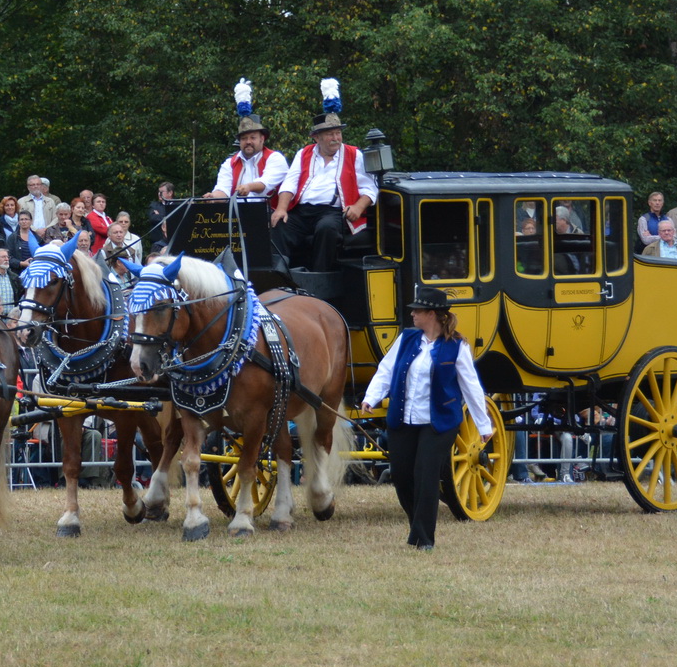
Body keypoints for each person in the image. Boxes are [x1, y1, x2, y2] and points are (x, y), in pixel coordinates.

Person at [361, 287, 494, 551]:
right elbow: (386, 369)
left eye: (417, 311)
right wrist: (371, 397)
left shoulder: (457, 347)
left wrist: (483, 425)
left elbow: (471, 387)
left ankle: (424, 539)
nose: (412, 314)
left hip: (440, 422)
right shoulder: (407, 339)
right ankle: (417, 525)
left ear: (431, 314)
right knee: (401, 475)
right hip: (403, 419)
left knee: (426, 474)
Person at [272, 81, 377, 271]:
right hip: (302, 212)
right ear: (316, 138)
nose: (336, 138)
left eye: (338, 133)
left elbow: (370, 187)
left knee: (326, 229)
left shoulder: (354, 155)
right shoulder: (303, 153)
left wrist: (358, 207)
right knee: (278, 223)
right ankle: (280, 276)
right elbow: (290, 182)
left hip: (332, 212)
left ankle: (319, 279)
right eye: (330, 134)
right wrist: (281, 209)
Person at [209, 85, 288, 206]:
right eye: (244, 138)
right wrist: (213, 197)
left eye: (253, 137)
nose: (248, 142)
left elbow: (265, 183)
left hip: (270, 215)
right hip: (238, 215)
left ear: (262, 139)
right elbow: (223, 189)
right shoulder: (229, 163)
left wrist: (249, 187)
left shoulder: (275, 158)